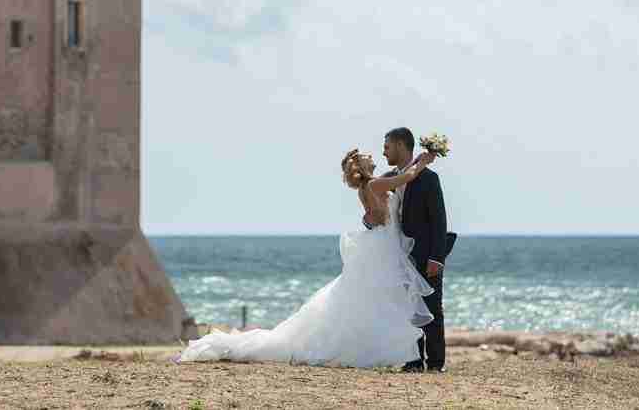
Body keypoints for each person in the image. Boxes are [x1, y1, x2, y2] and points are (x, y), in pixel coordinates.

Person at [177, 148, 438, 368]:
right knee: (378, 297)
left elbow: (401, 176)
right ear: (362, 165)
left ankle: (386, 348)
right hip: (383, 246)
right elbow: (408, 176)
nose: (374, 157)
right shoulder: (376, 184)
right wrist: (423, 161)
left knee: (370, 298)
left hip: (382, 244)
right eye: (368, 156)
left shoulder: (368, 186)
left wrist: (415, 161)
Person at [383, 127, 450, 373]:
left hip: (425, 254)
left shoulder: (428, 178)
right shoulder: (390, 177)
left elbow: (439, 220)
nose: (384, 152)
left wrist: (436, 257)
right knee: (407, 308)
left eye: (387, 146)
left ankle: (435, 363)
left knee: (431, 307)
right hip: (398, 255)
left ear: (401, 145)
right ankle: (412, 360)